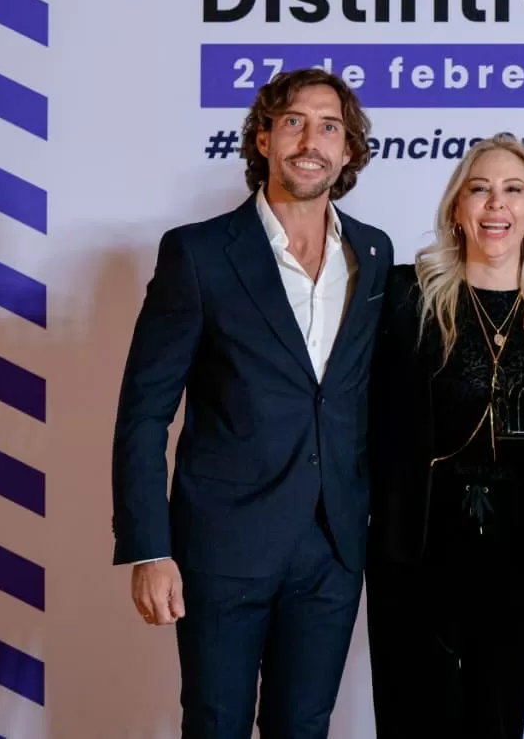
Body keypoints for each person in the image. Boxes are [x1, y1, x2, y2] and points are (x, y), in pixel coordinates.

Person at [110, 68, 393, 739]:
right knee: (216, 725)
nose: (311, 141)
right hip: (222, 544)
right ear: (263, 138)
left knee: (305, 726)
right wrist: (148, 548)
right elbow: (144, 412)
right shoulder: (199, 253)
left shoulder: (373, 253)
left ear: (349, 150)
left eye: (330, 127)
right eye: (294, 121)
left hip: (333, 546)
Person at [365, 134, 524, 739]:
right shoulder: (404, 295)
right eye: (479, 189)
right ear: (457, 207)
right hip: (415, 545)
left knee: (499, 719)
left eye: (513, 191)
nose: (495, 204)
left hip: (520, 552)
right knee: (411, 718)